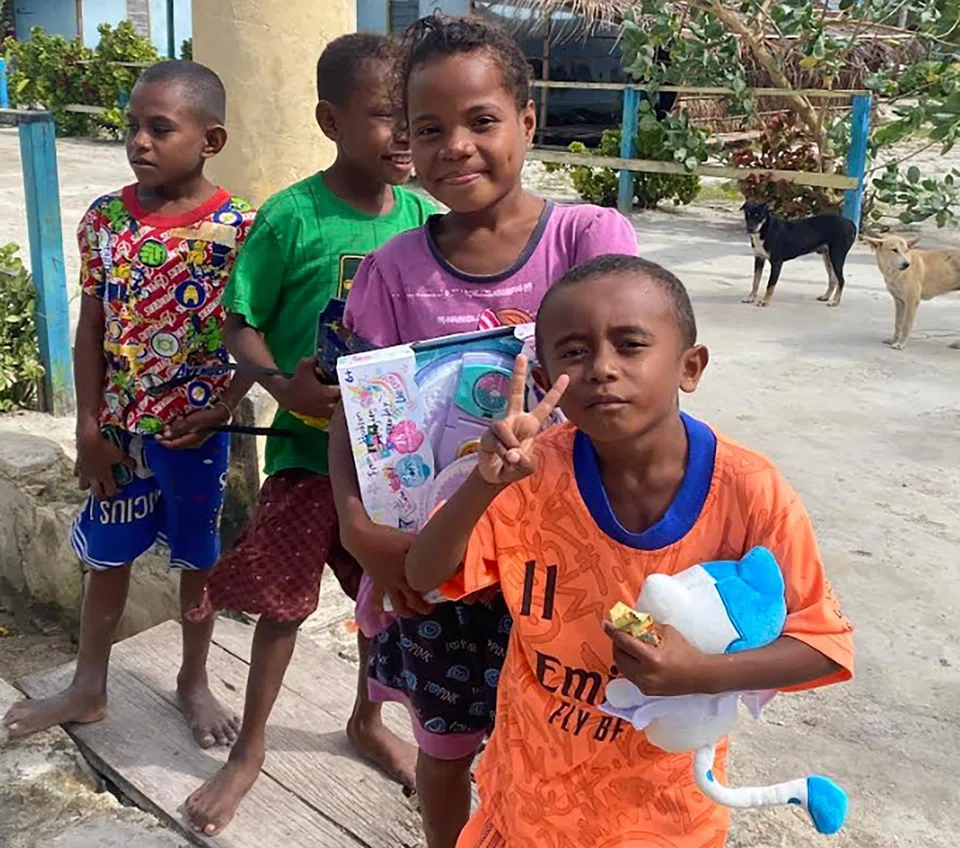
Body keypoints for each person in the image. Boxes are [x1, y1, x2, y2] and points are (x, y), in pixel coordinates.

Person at [405, 253, 856, 848]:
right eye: (573, 352)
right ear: (546, 380)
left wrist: (699, 674)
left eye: (631, 344)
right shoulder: (530, 473)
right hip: (525, 806)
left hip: (665, 819)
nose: (602, 369)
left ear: (689, 367)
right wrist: (483, 485)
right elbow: (423, 573)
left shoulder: (750, 492)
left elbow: (824, 647)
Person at [328, 15, 639, 848]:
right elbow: (356, 414)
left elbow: (638, 385)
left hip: (567, 559)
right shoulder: (392, 271)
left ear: (528, 122)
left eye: (481, 121)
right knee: (446, 743)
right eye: (429, 129)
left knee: (568, 736)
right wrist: (359, 530)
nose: (455, 146)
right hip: (441, 566)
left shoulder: (587, 240)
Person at [181, 32, 436, 837]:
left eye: (415, 120)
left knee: (381, 604)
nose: (405, 137)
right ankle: (249, 751)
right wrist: (279, 383)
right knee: (285, 609)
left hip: (391, 463)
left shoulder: (426, 217)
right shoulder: (292, 217)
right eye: (385, 118)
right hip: (304, 450)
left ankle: (366, 722)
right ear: (330, 120)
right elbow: (237, 325)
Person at [1, 61, 257, 748]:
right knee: (107, 557)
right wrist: (87, 427)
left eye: (159, 128)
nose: (139, 141)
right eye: (131, 127)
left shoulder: (240, 231)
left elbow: (259, 337)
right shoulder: (107, 220)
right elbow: (91, 326)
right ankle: (89, 686)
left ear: (211, 139)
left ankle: (193, 680)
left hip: (191, 437)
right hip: (115, 434)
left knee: (198, 561)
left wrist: (227, 400)